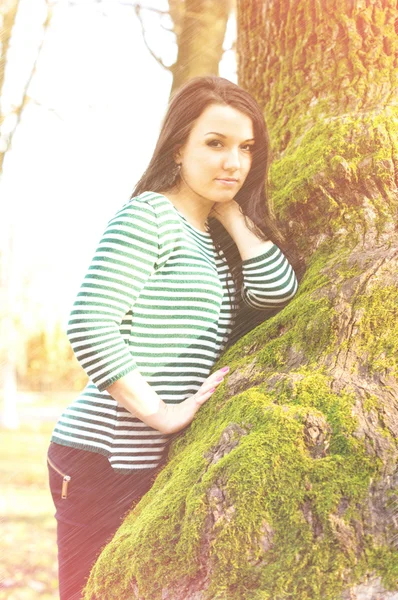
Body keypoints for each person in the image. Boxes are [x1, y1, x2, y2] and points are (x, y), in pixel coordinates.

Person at [47, 75, 299, 599]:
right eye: (215, 144)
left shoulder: (209, 236)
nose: (233, 162)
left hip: (146, 460)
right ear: (178, 147)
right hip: (103, 453)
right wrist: (163, 413)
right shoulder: (148, 218)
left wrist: (230, 210)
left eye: (245, 148)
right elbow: (91, 323)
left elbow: (278, 292)